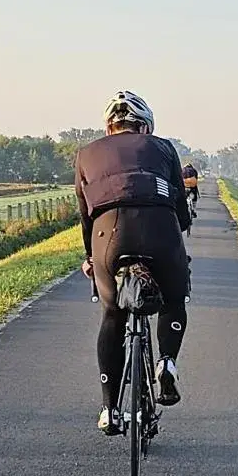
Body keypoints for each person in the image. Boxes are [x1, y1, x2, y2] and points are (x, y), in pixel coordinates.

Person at [74, 91, 191, 434]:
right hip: (160, 230)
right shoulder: (163, 147)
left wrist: (89, 260)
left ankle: (110, 409)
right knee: (173, 299)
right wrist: (178, 229)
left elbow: (85, 217)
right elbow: (180, 207)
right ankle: (166, 363)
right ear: (144, 127)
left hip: (107, 237)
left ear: (109, 127)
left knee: (113, 313)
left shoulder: (85, 154)